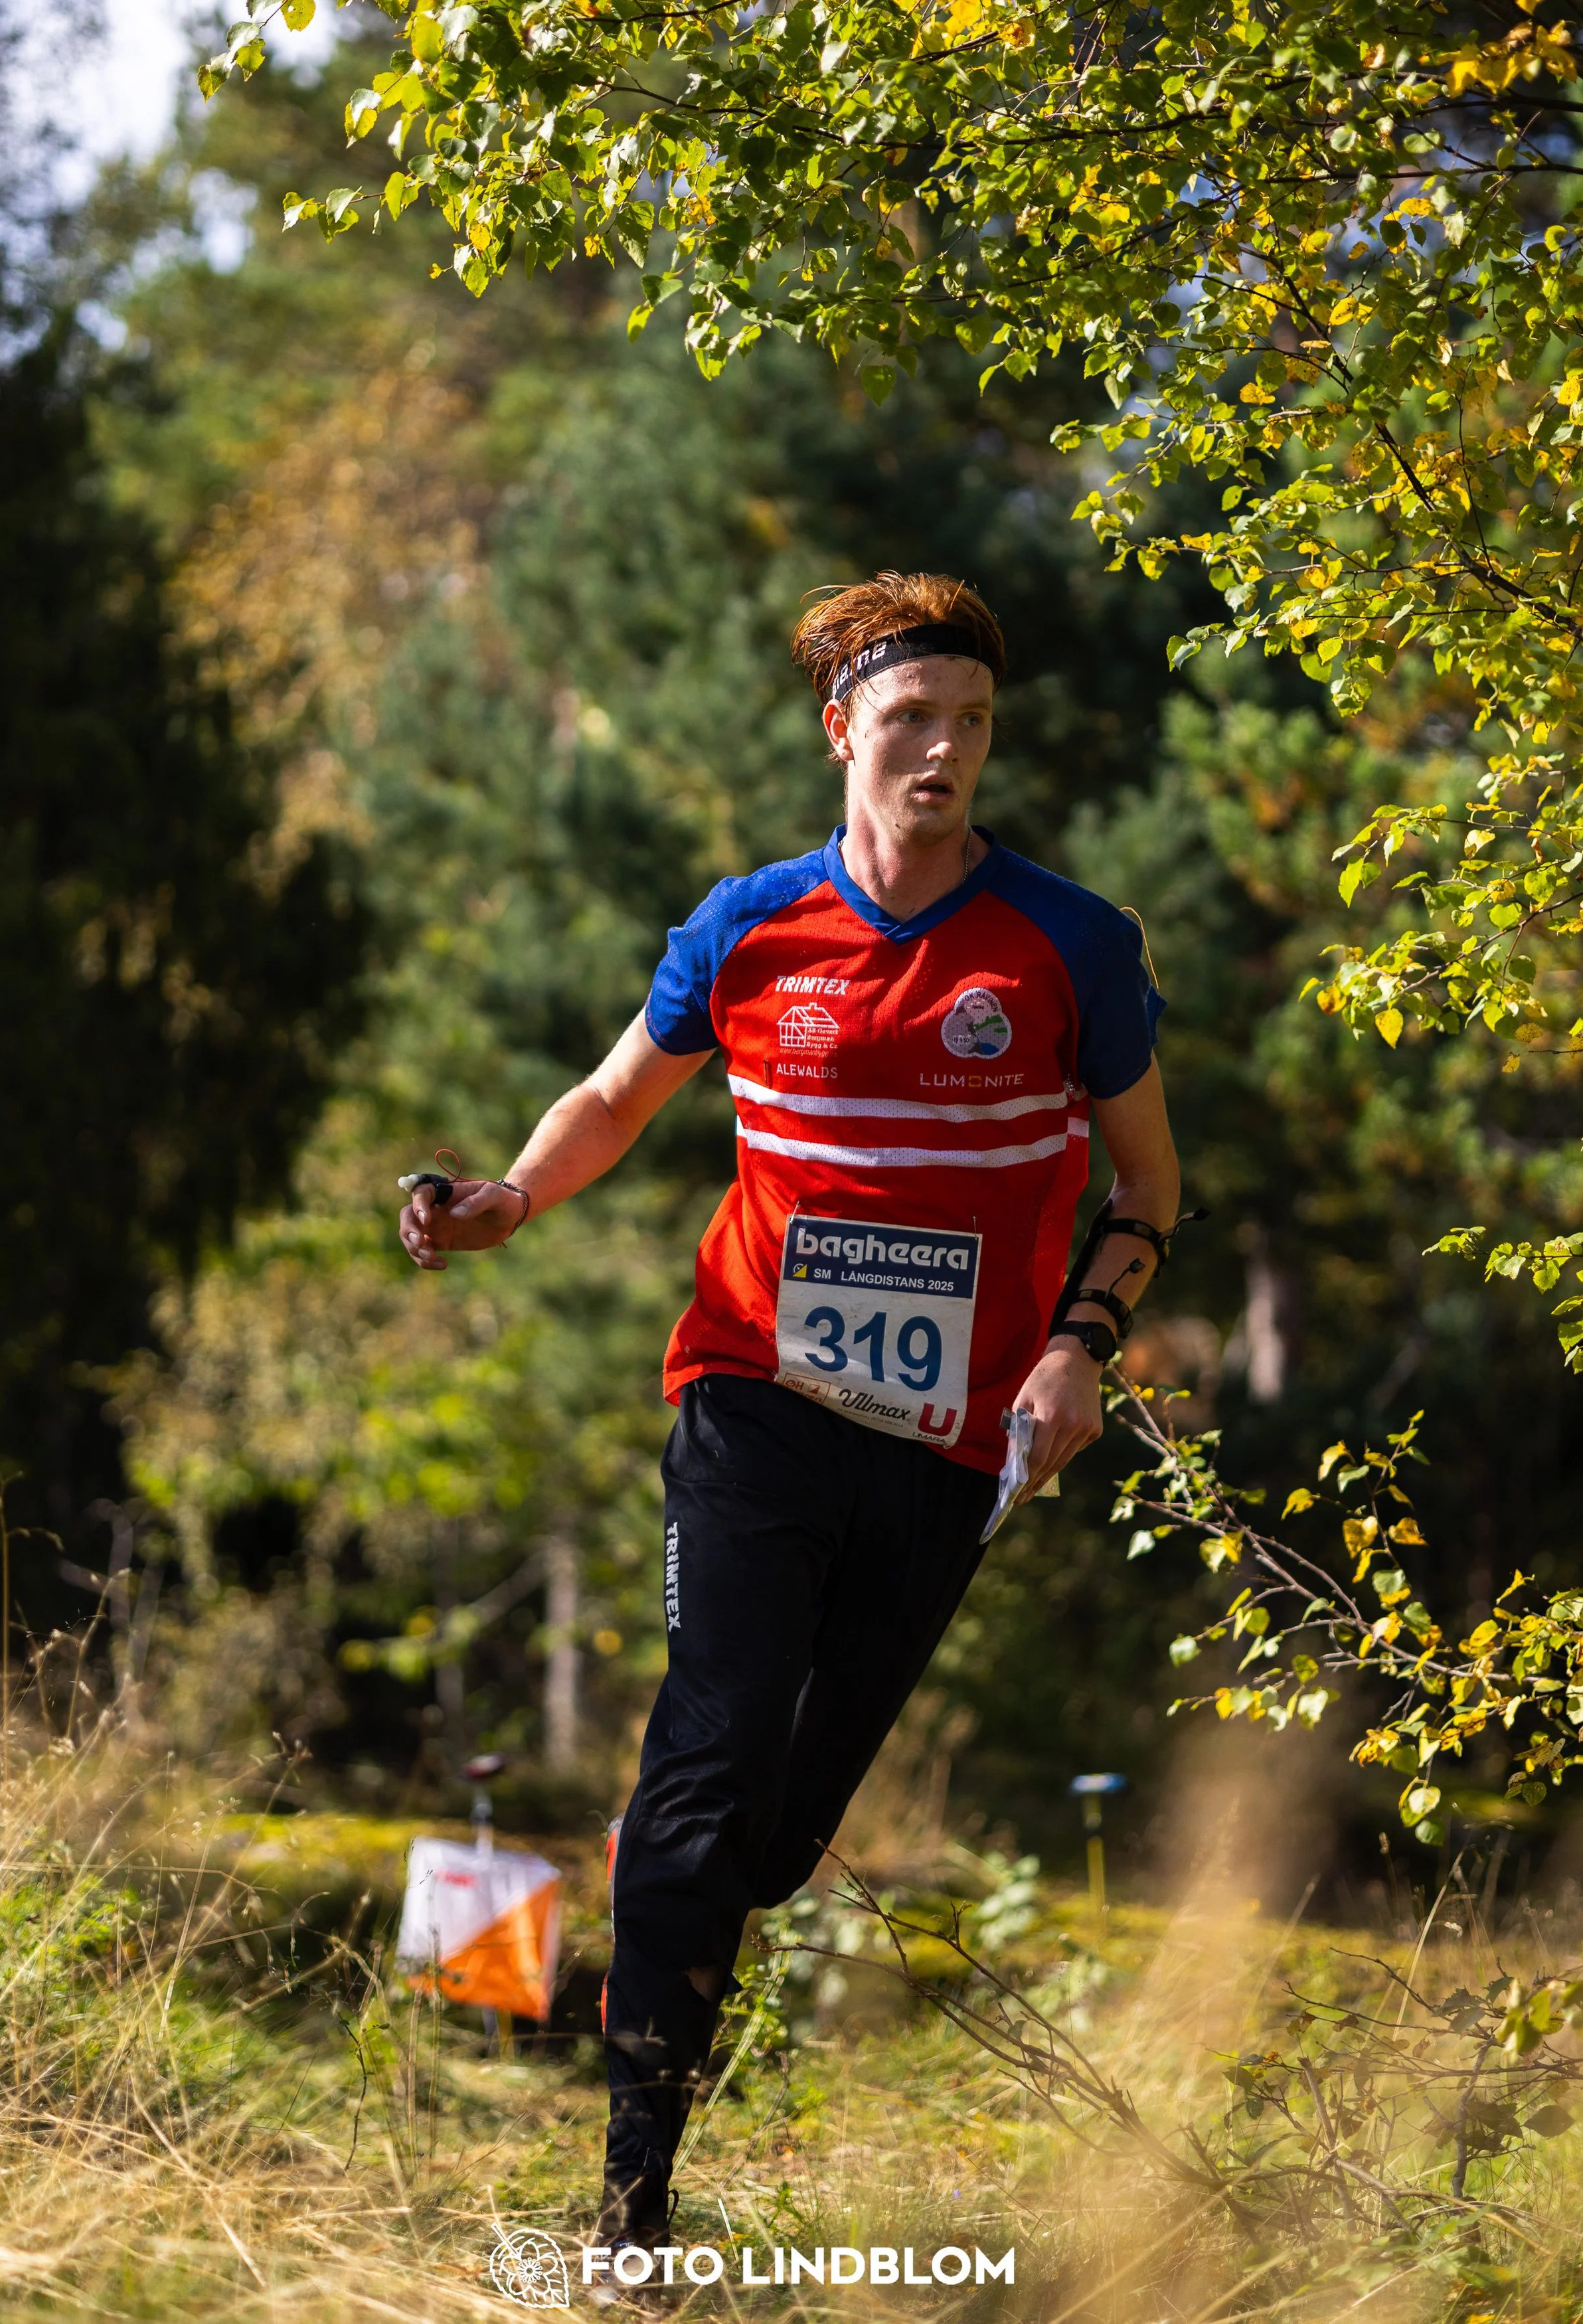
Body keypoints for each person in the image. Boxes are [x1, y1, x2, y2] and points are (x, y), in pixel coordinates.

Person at [398, 570, 1181, 2260]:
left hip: (949, 1443)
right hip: (750, 1395)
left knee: (775, 1833)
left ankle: (675, 1883)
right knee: (707, 1769)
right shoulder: (749, 923)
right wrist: (510, 1201)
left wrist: (1079, 1350)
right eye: (912, 718)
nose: (944, 751)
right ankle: (629, 2217)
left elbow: (1146, 1185)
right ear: (842, 730)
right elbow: (615, 1098)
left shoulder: (1068, 941)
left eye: (971, 722)